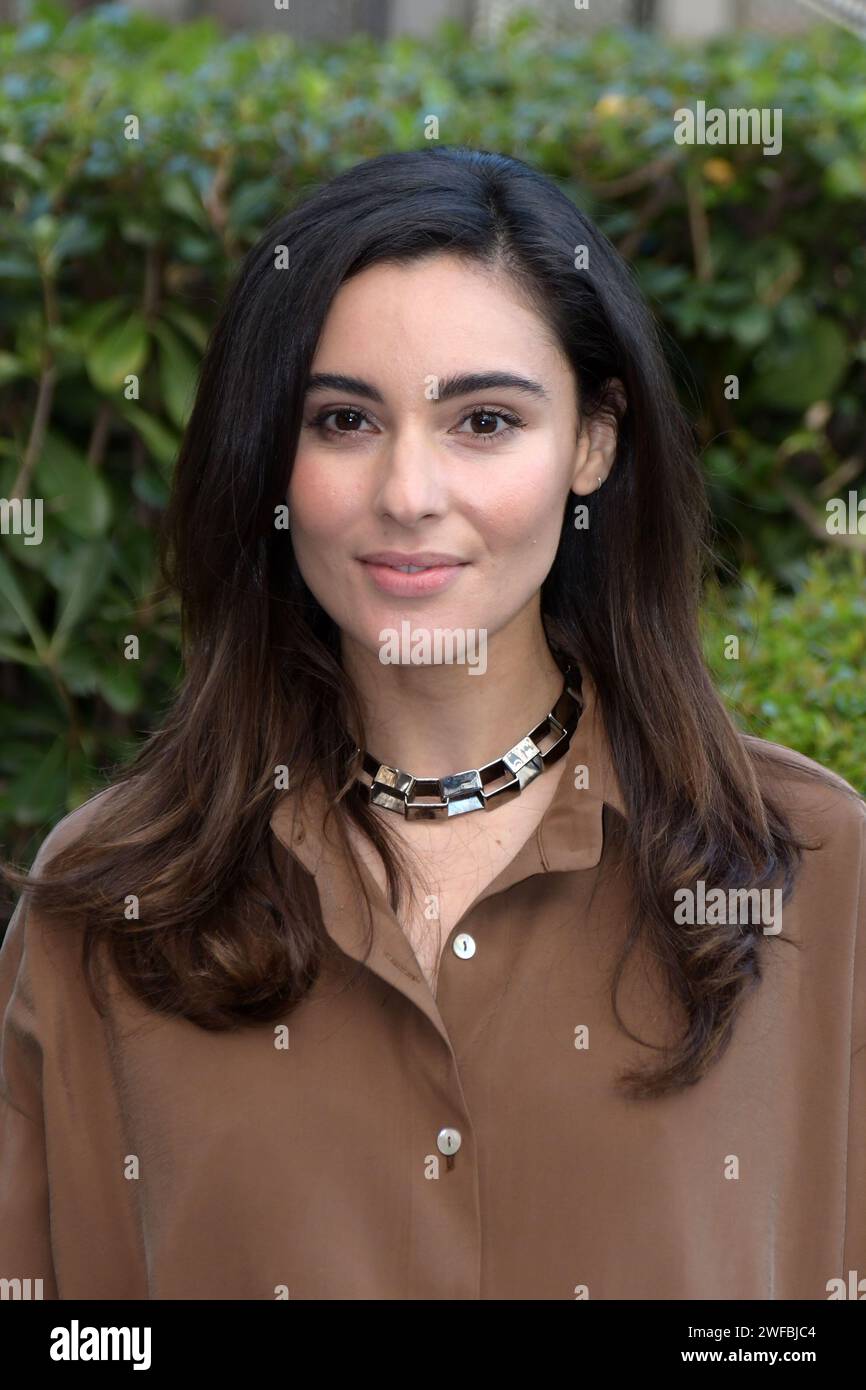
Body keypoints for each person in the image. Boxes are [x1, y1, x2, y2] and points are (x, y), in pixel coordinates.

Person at [1, 146, 863, 1301]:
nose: (408, 493)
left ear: (592, 445)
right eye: (345, 420)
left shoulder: (818, 871)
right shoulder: (113, 899)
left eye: (485, 421)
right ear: (271, 455)